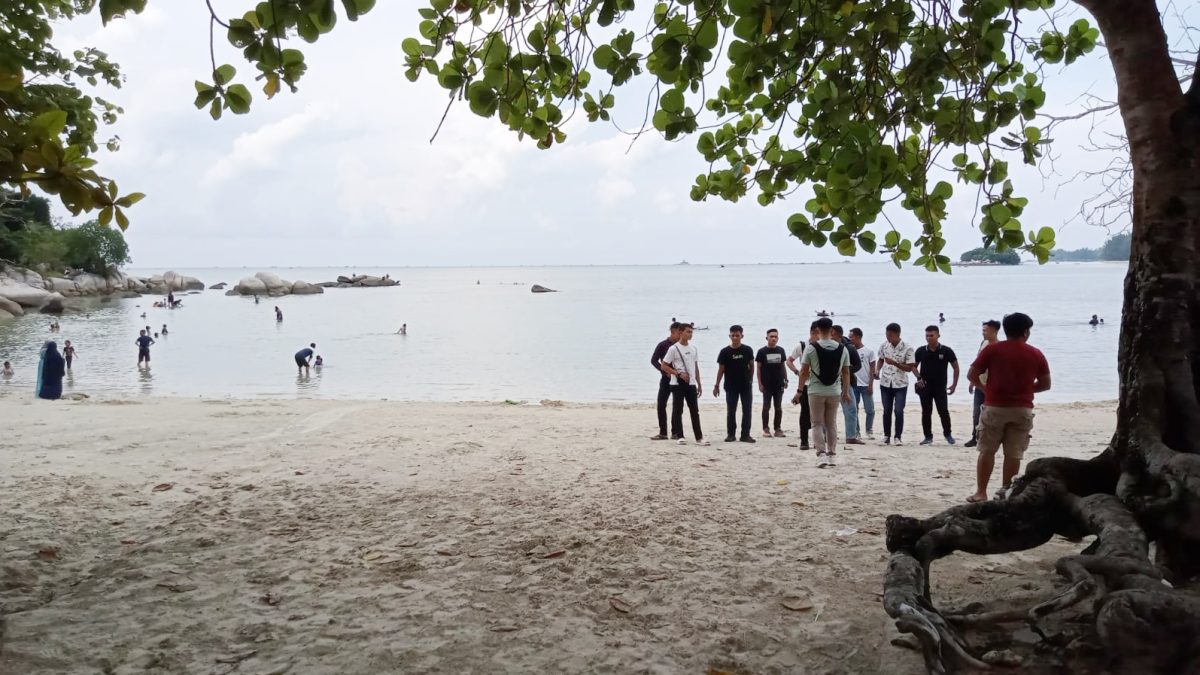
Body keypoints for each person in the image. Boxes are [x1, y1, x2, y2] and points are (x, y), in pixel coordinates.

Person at [967, 312, 1050, 502]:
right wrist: (1026, 388)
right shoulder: (1035, 353)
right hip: (1022, 408)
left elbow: (972, 374)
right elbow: (1046, 384)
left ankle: (981, 492)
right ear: (1026, 332)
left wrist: (984, 389)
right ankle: (1005, 492)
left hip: (995, 406)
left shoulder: (993, 350)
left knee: (987, 449)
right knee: (1013, 453)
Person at [796, 317, 851, 467]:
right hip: (834, 391)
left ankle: (821, 454)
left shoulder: (811, 348)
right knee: (831, 423)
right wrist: (846, 392)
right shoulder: (842, 348)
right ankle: (832, 453)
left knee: (817, 423)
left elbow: (803, 371)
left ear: (818, 330)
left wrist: (799, 390)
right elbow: (846, 372)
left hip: (815, 390)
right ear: (832, 330)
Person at [660, 323, 709, 446]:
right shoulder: (673, 349)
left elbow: (695, 367)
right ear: (680, 332)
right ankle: (680, 436)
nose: (690, 334)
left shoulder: (693, 349)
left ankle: (699, 437)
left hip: (691, 383)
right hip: (677, 383)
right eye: (688, 332)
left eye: (691, 332)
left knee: (694, 410)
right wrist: (677, 373)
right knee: (678, 409)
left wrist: (699, 383)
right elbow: (664, 365)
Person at [915, 325, 960, 445]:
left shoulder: (946, 350)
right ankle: (928, 437)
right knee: (926, 412)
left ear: (938, 335)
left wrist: (954, 384)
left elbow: (955, 367)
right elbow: (913, 366)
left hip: (940, 387)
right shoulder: (921, 350)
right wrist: (918, 378)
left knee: (943, 411)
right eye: (927, 335)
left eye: (931, 335)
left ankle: (948, 434)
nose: (929, 338)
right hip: (925, 387)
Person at [714, 324, 756, 443]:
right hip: (731, 386)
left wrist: (750, 380)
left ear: (742, 335)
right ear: (729, 336)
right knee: (731, 410)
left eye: (737, 335)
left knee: (747, 410)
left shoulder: (747, 350)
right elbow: (721, 369)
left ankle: (745, 435)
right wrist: (716, 385)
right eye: (733, 335)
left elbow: (752, 366)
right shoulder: (724, 351)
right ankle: (731, 434)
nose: (735, 337)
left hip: (745, 386)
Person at [876, 323, 916, 446]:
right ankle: (886, 436)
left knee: (898, 411)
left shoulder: (907, 348)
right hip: (885, 383)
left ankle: (898, 437)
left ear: (898, 334)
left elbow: (910, 368)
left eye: (891, 335)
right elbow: (881, 359)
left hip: (900, 384)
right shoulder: (884, 345)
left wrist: (895, 363)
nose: (888, 338)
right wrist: (877, 370)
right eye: (887, 335)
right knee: (886, 410)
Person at [965, 320, 1001, 448]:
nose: (983, 333)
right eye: (982, 330)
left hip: (993, 386)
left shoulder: (999, 347)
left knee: (992, 413)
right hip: (980, 383)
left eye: (985, 330)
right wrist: (972, 382)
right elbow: (977, 362)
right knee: (976, 412)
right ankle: (975, 437)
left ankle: (992, 437)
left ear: (994, 331)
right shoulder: (984, 343)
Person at [787, 322, 821, 449]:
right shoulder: (802, 346)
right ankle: (804, 441)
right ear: (813, 332)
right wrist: (796, 371)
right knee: (805, 413)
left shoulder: (823, 345)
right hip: (806, 385)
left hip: (820, 385)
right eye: (819, 333)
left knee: (819, 414)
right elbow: (789, 360)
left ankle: (818, 441)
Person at [831, 325, 864, 445]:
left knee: (851, 409)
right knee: (828, 410)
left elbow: (858, 365)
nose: (830, 336)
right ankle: (826, 435)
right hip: (829, 383)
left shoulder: (849, 348)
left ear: (839, 335)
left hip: (846, 382)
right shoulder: (827, 346)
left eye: (832, 334)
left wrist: (846, 372)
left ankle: (851, 436)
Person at [650, 322, 682, 440]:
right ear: (673, 332)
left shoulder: (681, 346)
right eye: (679, 332)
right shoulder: (662, 345)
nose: (681, 335)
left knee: (677, 406)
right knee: (661, 404)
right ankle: (663, 432)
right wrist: (664, 371)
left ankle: (675, 432)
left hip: (679, 379)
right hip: (666, 379)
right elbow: (653, 361)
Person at [756, 328, 788, 438]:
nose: (773, 338)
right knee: (766, 407)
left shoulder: (781, 350)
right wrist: (760, 383)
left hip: (779, 384)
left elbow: (783, 366)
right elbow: (758, 369)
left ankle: (777, 428)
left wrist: (786, 379)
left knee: (778, 407)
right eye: (771, 336)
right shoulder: (761, 351)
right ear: (767, 338)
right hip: (767, 385)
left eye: (775, 336)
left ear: (778, 338)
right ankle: (765, 428)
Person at [848, 328, 877, 440]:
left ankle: (869, 429)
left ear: (858, 337)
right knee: (854, 409)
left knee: (870, 410)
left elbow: (872, 369)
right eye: (849, 337)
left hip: (865, 385)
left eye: (851, 337)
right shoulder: (850, 350)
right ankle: (857, 431)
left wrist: (871, 384)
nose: (850, 339)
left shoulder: (869, 351)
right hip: (854, 385)